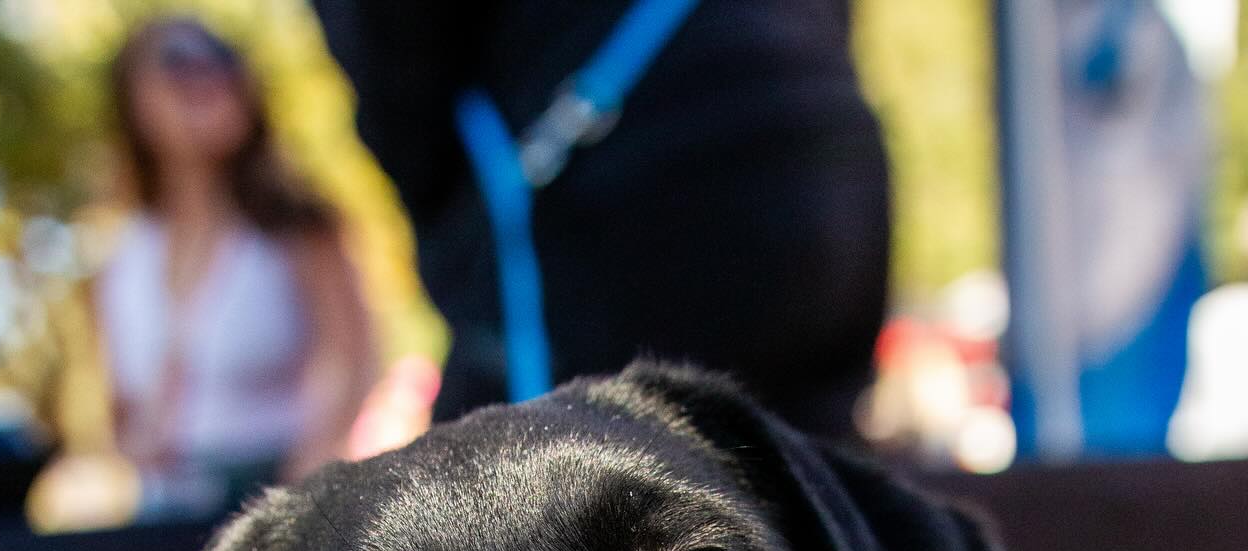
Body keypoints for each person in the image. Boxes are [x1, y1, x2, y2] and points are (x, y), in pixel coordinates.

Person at [313, 0, 891, 439]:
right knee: (818, 475)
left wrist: (455, 229)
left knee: (555, 511)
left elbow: (391, 60)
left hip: (619, 188)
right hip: (826, 145)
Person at [96, 15, 375, 512]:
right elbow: (118, 409)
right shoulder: (123, 254)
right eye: (176, 63)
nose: (203, 79)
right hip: (164, 509)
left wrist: (297, 498)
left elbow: (352, 362)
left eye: (219, 59)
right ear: (135, 100)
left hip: (279, 496)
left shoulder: (296, 228)